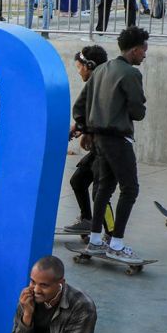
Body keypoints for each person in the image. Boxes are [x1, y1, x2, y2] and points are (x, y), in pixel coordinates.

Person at [73, 26, 148, 264]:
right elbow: (137, 112)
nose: (145, 55)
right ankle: (116, 243)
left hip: (99, 140)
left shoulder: (101, 70)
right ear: (135, 50)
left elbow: (79, 106)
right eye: (144, 50)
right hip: (118, 139)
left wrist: (86, 129)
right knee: (130, 189)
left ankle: (96, 240)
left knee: (104, 188)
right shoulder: (131, 74)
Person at [61, 47, 108, 234]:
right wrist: (81, 128)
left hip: (107, 149)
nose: (79, 71)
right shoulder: (98, 84)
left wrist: (85, 129)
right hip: (99, 147)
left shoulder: (102, 86)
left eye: (80, 67)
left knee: (101, 193)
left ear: (89, 66)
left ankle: (111, 235)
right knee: (79, 181)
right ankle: (87, 220)